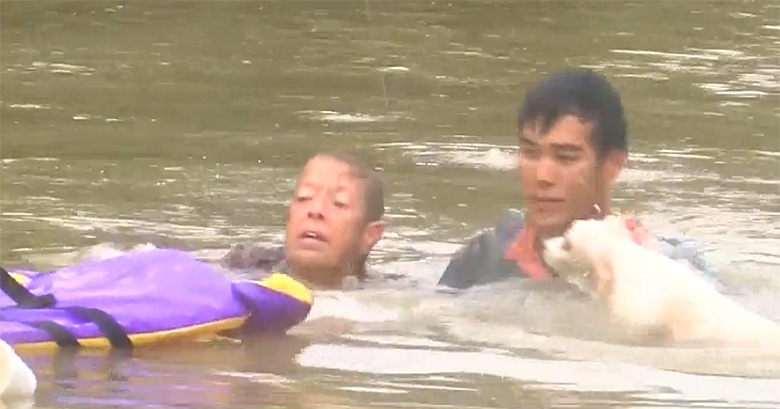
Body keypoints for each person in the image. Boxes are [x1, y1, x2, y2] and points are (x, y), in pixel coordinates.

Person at [438, 68, 716, 290]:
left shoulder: (667, 269)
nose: (543, 177)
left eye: (566, 157)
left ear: (612, 166)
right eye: (531, 153)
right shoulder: (481, 260)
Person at [222, 151, 386, 290]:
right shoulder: (242, 265)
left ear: (370, 235)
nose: (315, 210)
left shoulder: (388, 299)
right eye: (304, 198)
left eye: (339, 203)